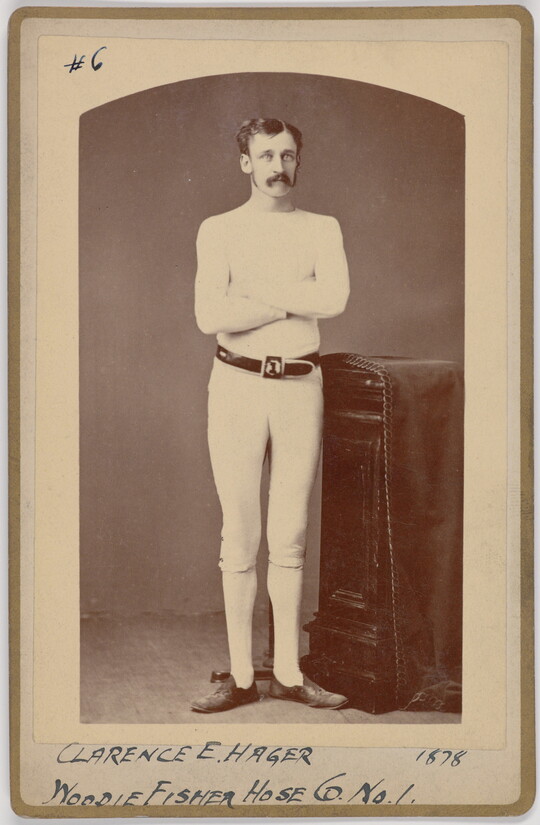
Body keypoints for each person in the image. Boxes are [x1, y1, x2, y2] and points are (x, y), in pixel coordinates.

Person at [191, 118, 350, 713]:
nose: (277, 166)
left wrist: (256, 297)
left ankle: (287, 671)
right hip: (236, 386)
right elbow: (210, 315)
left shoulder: (322, 227)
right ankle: (239, 677)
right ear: (245, 163)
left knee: (290, 535)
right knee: (240, 534)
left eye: (287, 155)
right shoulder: (219, 229)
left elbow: (333, 300)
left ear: (299, 160)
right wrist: (292, 294)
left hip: (300, 388)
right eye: (265, 156)